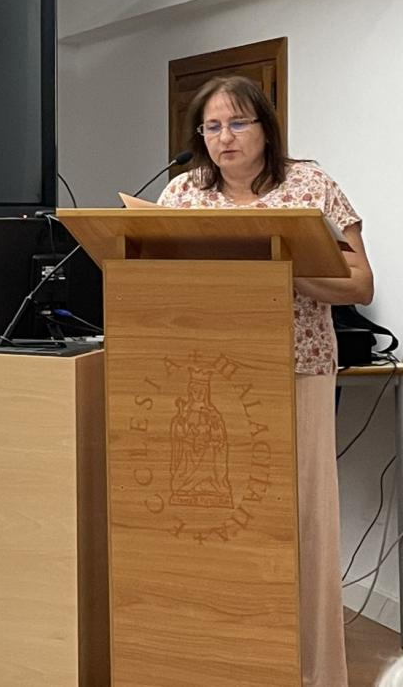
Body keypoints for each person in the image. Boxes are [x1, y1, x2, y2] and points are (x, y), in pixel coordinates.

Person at [157, 75, 372, 687]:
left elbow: (360, 286)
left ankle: (312, 670)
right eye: (211, 126)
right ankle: (227, 655)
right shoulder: (182, 193)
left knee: (300, 519)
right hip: (207, 382)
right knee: (222, 517)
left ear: (266, 127)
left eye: (237, 123)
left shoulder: (309, 185)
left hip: (296, 369)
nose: (224, 138)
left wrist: (281, 275)